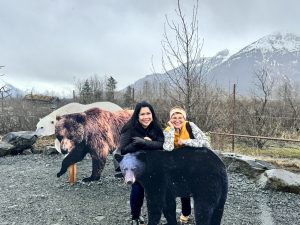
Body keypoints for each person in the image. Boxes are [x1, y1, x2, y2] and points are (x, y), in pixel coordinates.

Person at [118, 101, 164, 225]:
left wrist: (145, 143)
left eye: (148, 113)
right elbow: (123, 149)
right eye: (142, 114)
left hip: (153, 163)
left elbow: (162, 144)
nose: (146, 117)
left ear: (152, 114)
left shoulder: (156, 126)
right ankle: (135, 216)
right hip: (135, 163)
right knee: (138, 189)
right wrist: (137, 144)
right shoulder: (129, 127)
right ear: (137, 116)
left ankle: (154, 218)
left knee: (155, 192)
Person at [163, 106, 210, 224]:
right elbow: (167, 148)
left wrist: (185, 141)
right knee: (182, 188)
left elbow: (205, 142)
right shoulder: (168, 130)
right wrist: (172, 130)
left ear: (184, 118)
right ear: (170, 119)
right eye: (174, 117)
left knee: (198, 189)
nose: (177, 120)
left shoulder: (190, 126)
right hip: (177, 164)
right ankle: (185, 212)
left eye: (180, 117)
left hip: (194, 162)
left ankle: (204, 214)